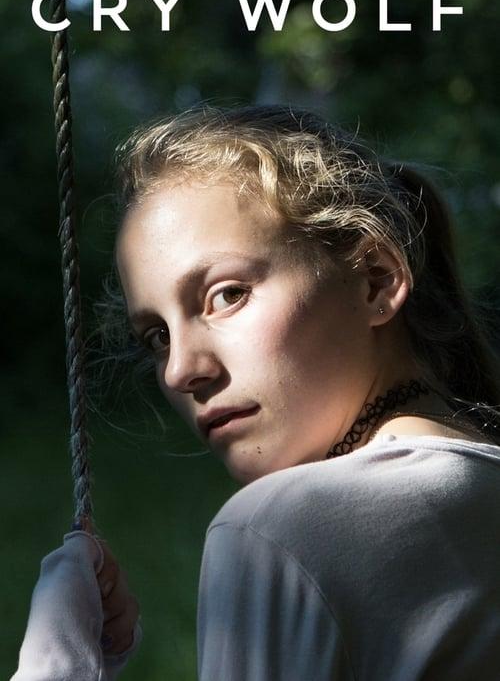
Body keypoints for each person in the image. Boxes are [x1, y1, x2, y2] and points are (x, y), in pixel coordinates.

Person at [11, 105, 500, 680]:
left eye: (227, 294)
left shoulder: (278, 527)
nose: (179, 371)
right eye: (157, 337)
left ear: (375, 279)